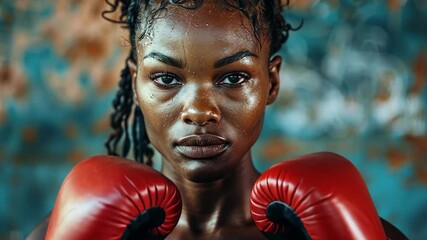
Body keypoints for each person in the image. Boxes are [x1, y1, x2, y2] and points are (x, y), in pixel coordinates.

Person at [26, 0, 407, 239]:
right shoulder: (58, 233)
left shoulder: (355, 232)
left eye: (233, 77)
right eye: (166, 78)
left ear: (270, 82)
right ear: (135, 84)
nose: (199, 111)